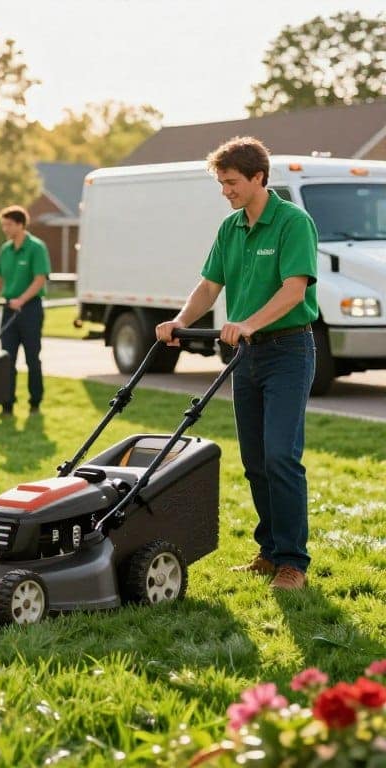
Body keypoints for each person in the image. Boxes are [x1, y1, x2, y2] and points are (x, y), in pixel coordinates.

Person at [155, 136, 318, 591]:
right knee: (256, 460)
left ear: (258, 177)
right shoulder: (230, 228)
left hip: (288, 351)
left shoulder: (293, 223)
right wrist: (180, 321)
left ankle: (293, 563)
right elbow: (209, 286)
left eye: (231, 183)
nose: (225, 191)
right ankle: (269, 552)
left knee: (281, 455)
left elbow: (294, 291)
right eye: (221, 183)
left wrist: (247, 323)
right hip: (246, 357)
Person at [0, 205, 50, 414]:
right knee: (6, 359)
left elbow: (40, 279)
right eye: (3, 225)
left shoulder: (36, 247)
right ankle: (7, 403)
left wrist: (22, 300)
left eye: (8, 225)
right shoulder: (5, 249)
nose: (5, 229)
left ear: (20, 224)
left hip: (30, 309)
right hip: (9, 309)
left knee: (32, 358)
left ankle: (35, 402)